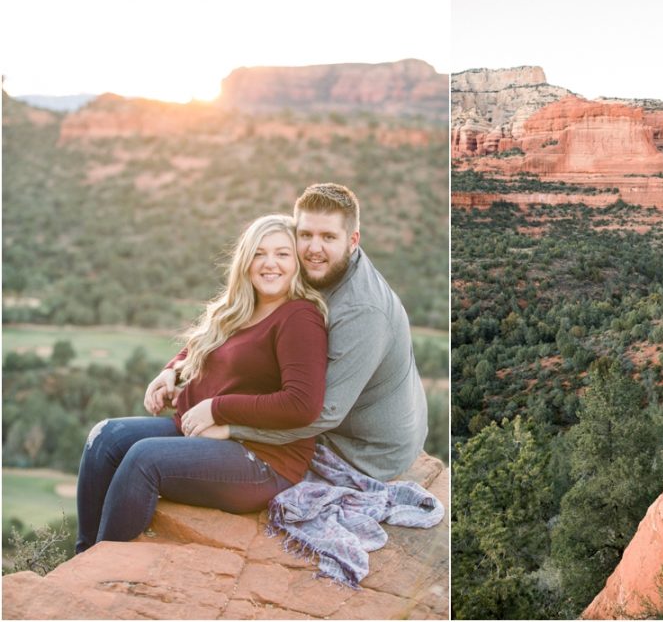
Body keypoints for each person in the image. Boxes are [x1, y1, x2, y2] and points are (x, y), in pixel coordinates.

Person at [75, 214, 327, 553]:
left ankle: (103, 569)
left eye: (282, 254)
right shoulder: (242, 306)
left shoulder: (299, 317)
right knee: (104, 438)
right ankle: (85, 556)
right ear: (245, 260)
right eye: (259, 253)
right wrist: (173, 372)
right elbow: (202, 345)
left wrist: (216, 409)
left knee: (144, 459)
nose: (270, 264)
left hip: (263, 460)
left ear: (297, 263)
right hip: (201, 433)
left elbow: (302, 404)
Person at [146, 183, 429, 481]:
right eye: (305, 235)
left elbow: (323, 413)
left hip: (363, 449)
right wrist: (177, 369)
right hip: (336, 417)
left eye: (328, 237)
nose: (314, 248)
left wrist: (228, 425)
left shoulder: (363, 312)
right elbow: (239, 325)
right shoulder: (304, 268)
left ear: (352, 240)